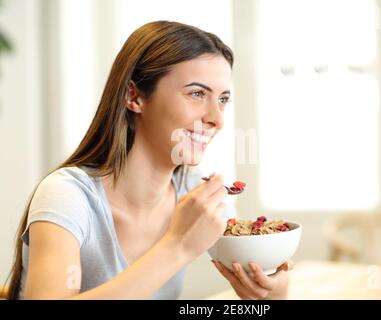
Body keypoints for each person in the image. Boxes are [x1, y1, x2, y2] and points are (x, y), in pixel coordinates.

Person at [6, 21, 291, 300]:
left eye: (223, 99)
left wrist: (273, 293)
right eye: (197, 93)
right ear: (135, 96)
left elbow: (257, 274)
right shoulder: (69, 195)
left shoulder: (195, 190)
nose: (216, 119)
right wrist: (177, 246)